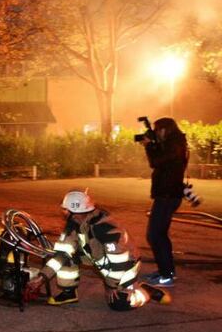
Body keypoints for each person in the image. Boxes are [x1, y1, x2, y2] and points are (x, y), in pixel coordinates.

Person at [26, 190, 170, 311]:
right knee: (66, 256)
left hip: (126, 265)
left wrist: (110, 285)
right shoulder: (75, 224)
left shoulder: (105, 228)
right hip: (102, 261)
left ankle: (145, 291)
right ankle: (68, 292)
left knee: (119, 303)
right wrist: (41, 278)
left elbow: (119, 261)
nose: (63, 212)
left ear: (75, 212)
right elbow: (61, 255)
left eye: (65, 210)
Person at [138, 118, 188, 287]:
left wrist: (150, 146)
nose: (157, 133)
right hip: (167, 195)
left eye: (158, 130)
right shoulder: (175, 143)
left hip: (167, 196)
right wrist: (154, 145)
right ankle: (166, 271)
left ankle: (166, 276)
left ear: (166, 130)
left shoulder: (174, 145)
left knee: (154, 235)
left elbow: (156, 162)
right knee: (160, 235)